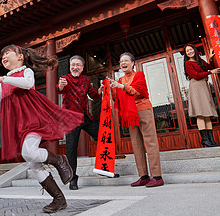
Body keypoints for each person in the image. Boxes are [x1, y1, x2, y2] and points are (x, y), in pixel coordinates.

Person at [0, 44, 84, 213]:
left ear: (19, 57)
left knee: (29, 153)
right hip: (17, 125)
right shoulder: (5, 81)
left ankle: (59, 160)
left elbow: (27, 83)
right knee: (33, 164)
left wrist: (4, 79)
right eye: (2, 55)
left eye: (7, 53)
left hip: (33, 120)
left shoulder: (26, 72)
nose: (3, 57)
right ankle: (59, 199)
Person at [110, 52, 164, 188]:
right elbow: (116, 98)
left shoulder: (139, 75)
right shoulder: (120, 80)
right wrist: (109, 88)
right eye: (121, 61)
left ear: (133, 63)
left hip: (143, 109)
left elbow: (138, 92)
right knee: (136, 144)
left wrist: (121, 87)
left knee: (150, 142)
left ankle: (157, 176)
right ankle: (143, 176)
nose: (123, 63)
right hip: (130, 114)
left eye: (126, 60)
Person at [56, 55, 102, 190]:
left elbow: (93, 95)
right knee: (70, 150)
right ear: (70, 67)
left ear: (82, 67)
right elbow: (59, 88)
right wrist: (60, 86)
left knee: (102, 136)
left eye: (78, 65)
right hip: (70, 118)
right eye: (73, 65)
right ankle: (72, 179)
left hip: (84, 116)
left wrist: (99, 91)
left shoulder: (86, 79)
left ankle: (104, 168)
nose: (75, 67)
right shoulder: (65, 79)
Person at [183, 44, 220, 147]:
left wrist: (210, 58)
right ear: (186, 54)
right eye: (187, 51)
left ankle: (211, 140)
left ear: (194, 50)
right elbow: (195, 75)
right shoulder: (188, 63)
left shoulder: (200, 61)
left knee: (207, 113)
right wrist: (210, 72)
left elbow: (210, 67)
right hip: (196, 86)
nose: (190, 52)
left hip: (204, 86)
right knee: (200, 113)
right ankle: (204, 139)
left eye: (191, 49)